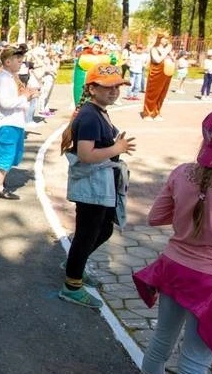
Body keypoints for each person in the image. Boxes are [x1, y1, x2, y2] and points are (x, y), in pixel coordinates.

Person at [133, 106, 212, 374]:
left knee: (161, 341)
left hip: (174, 268)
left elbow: (155, 217)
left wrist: (191, 217)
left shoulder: (182, 172)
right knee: (195, 358)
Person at [58, 63, 135, 308]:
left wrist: (115, 146)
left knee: (103, 229)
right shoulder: (90, 115)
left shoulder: (98, 111)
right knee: (87, 234)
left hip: (101, 183)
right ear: (92, 88)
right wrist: (117, 149)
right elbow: (86, 154)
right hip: (92, 186)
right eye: (107, 87)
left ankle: (75, 265)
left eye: (117, 87)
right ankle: (72, 285)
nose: (114, 92)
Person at [0, 45, 39, 200]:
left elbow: (17, 98)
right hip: (7, 122)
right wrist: (25, 97)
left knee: (14, 155)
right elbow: (5, 103)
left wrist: (27, 95)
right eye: (18, 60)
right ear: (8, 61)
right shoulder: (3, 79)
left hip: (16, 121)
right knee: (6, 154)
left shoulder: (11, 78)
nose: (21, 63)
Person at [141, 34, 174, 121]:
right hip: (156, 74)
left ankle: (156, 112)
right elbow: (157, 60)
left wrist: (171, 54)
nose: (166, 40)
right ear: (159, 39)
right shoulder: (154, 49)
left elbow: (173, 60)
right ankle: (147, 113)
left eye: (167, 39)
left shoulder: (167, 50)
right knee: (153, 94)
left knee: (162, 94)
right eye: (164, 39)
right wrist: (166, 51)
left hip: (166, 74)